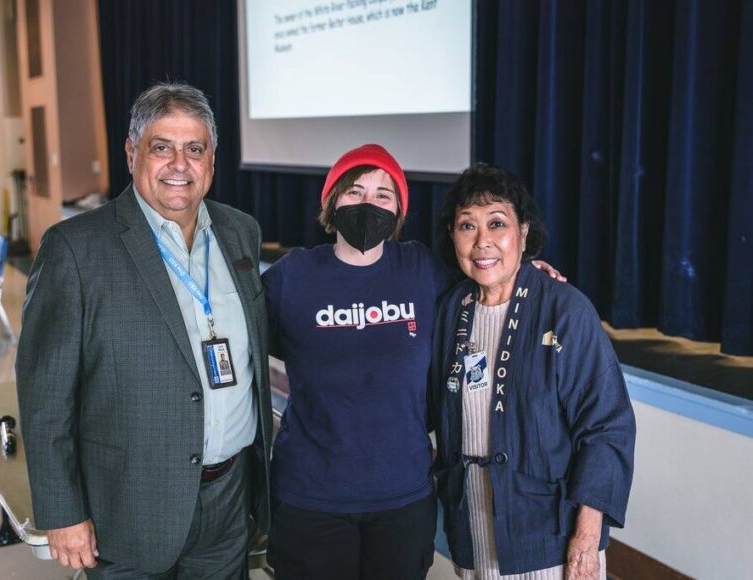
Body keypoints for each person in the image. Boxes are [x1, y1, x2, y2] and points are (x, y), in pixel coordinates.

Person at [262, 145, 563, 580]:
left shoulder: (422, 269)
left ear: (399, 209)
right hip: (311, 498)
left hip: (402, 498)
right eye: (354, 190)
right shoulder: (292, 276)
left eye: (384, 194)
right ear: (331, 202)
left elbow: (485, 271)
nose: (369, 203)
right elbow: (253, 341)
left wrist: (528, 269)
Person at [16, 82, 271, 579]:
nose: (180, 164)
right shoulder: (76, 249)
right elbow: (45, 395)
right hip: (127, 507)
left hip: (228, 500)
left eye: (194, 149)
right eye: (162, 148)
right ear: (133, 153)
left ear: (212, 161)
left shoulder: (241, 231)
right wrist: (62, 512)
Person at [430, 164, 636, 579]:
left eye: (498, 223)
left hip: (549, 542)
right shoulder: (451, 309)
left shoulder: (565, 309)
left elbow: (606, 429)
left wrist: (586, 538)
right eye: (467, 225)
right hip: (473, 534)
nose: (482, 241)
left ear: (523, 232)